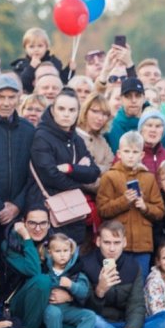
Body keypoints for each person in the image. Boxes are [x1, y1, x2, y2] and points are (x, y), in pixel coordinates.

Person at [82, 221, 165, 328]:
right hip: (102, 323)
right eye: (107, 242)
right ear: (98, 241)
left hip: (129, 325)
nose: (112, 249)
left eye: (117, 243)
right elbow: (83, 309)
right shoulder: (86, 264)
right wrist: (100, 291)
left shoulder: (133, 266)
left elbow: (137, 305)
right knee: (91, 320)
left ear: (124, 242)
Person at [26, 89, 100, 244]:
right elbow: (50, 175)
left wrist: (70, 168)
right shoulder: (42, 137)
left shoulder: (76, 139)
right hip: (47, 208)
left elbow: (93, 172)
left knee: (72, 256)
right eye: (61, 109)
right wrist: (79, 181)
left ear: (78, 113)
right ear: (53, 110)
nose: (66, 114)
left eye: (72, 110)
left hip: (73, 211)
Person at [0, 74, 35, 261]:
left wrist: (17, 205)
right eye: (1, 97)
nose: (6, 103)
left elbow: (33, 173)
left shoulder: (29, 130)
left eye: (11, 97)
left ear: (19, 98)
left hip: (18, 213)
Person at [97, 131, 165, 278]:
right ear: (119, 153)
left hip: (143, 245)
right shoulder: (109, 176)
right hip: (116, 244)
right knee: (117, 283)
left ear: (141, 155)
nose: (130, 155)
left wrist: (145, 207)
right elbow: (102, 210)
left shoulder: (149, 178)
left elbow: (160, 211)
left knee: (140, 285)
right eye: (127, 151)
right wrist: (124, 201)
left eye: (135, 152)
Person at [1, 208, 52, 328]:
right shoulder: (11, 243)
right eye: (32, 223)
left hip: (50, 301)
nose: (38, 228)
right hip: (19, 303)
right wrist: (27, 239)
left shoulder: (54, 242)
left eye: (43, 223)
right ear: (23, 223)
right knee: (42, 281)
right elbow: (33, 271)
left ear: (49, 224)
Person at [41, 234, 96, 328]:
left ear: (71, 251)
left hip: (68, 309)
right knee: (54, 313)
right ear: (50, 252)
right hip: (50, 307)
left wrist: (72, 285)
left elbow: (84, 292)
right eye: (58, 251)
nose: (62, 254)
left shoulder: (75, 271)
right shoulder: (45, 269)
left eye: (65, 251)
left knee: (90, 315)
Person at [10, 27, 72, 94]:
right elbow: (21, 83)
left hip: (51, 95)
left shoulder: (54, 62)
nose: (36, 49)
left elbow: (63, 80)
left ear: (46, 47)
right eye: (31, 46)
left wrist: (70, 69)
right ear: (25, 48)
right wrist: (31, 68)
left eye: (40, 46)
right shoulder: (21, 65)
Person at [76, 93, 113, 192]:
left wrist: (93, 169)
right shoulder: (73, 137)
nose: (100, 118)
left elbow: (112, 167)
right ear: (85, 111)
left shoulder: (102, 140)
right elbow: (80, 176)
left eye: (105, 114)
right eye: (95, 111)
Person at [105, 77, 147, 153]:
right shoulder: (109, 128)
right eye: (128, 96)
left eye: (137, 96)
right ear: (121, 99)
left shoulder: (154, 126)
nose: (133, 100)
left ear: (144, 98)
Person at [136, 110, 165, 174]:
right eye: (149, 125)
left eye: (158, 126)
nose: (153, 130)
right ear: (141, 129)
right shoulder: (129, 153)